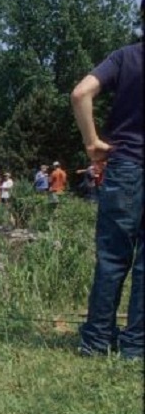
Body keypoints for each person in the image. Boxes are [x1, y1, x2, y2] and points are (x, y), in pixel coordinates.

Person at [71, 38, 143, 359]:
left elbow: (80, 93)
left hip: (125, 165)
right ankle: (136, 346)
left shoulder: (126, 57)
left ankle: (97, 341)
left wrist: (92, 143)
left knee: (113, 257)